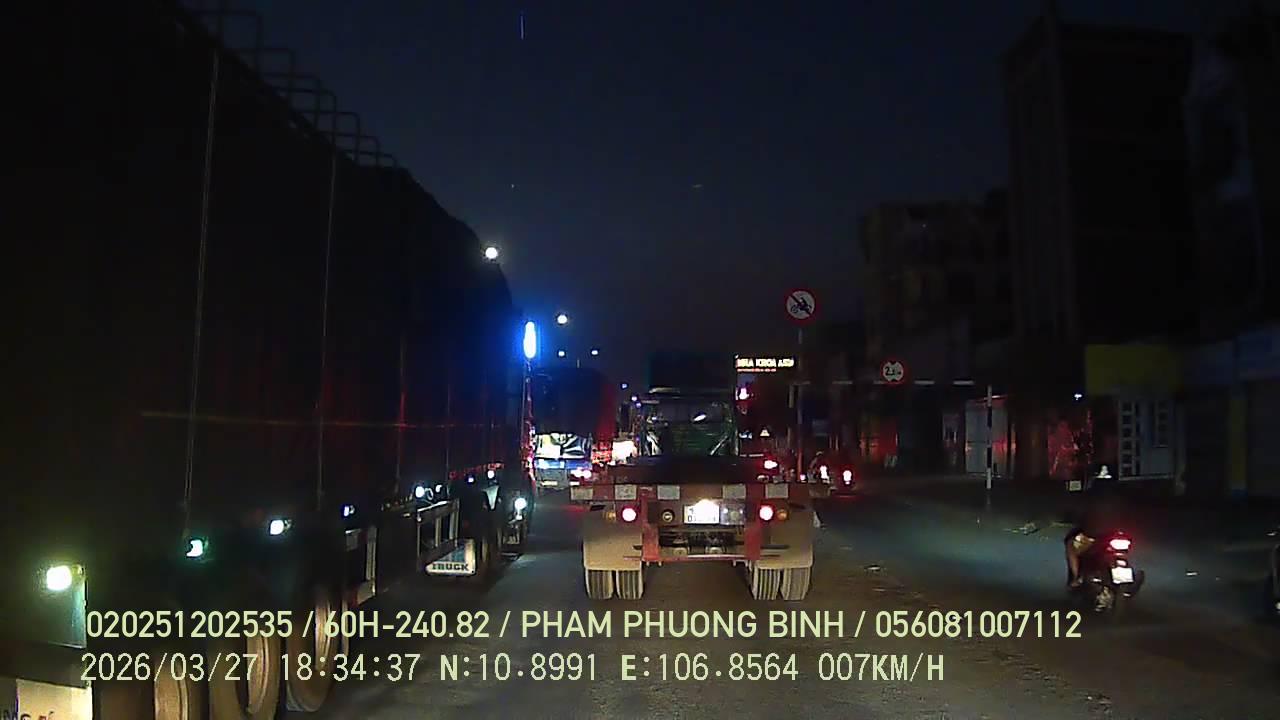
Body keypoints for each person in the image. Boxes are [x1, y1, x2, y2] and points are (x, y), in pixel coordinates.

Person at [1064, 471, 1122, 587]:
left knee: (1070, 545)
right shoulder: (1119, 496)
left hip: (1092, 536)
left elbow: (1077, 513)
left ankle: (1076, 578)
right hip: (1115, 534)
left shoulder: (1088, 497)